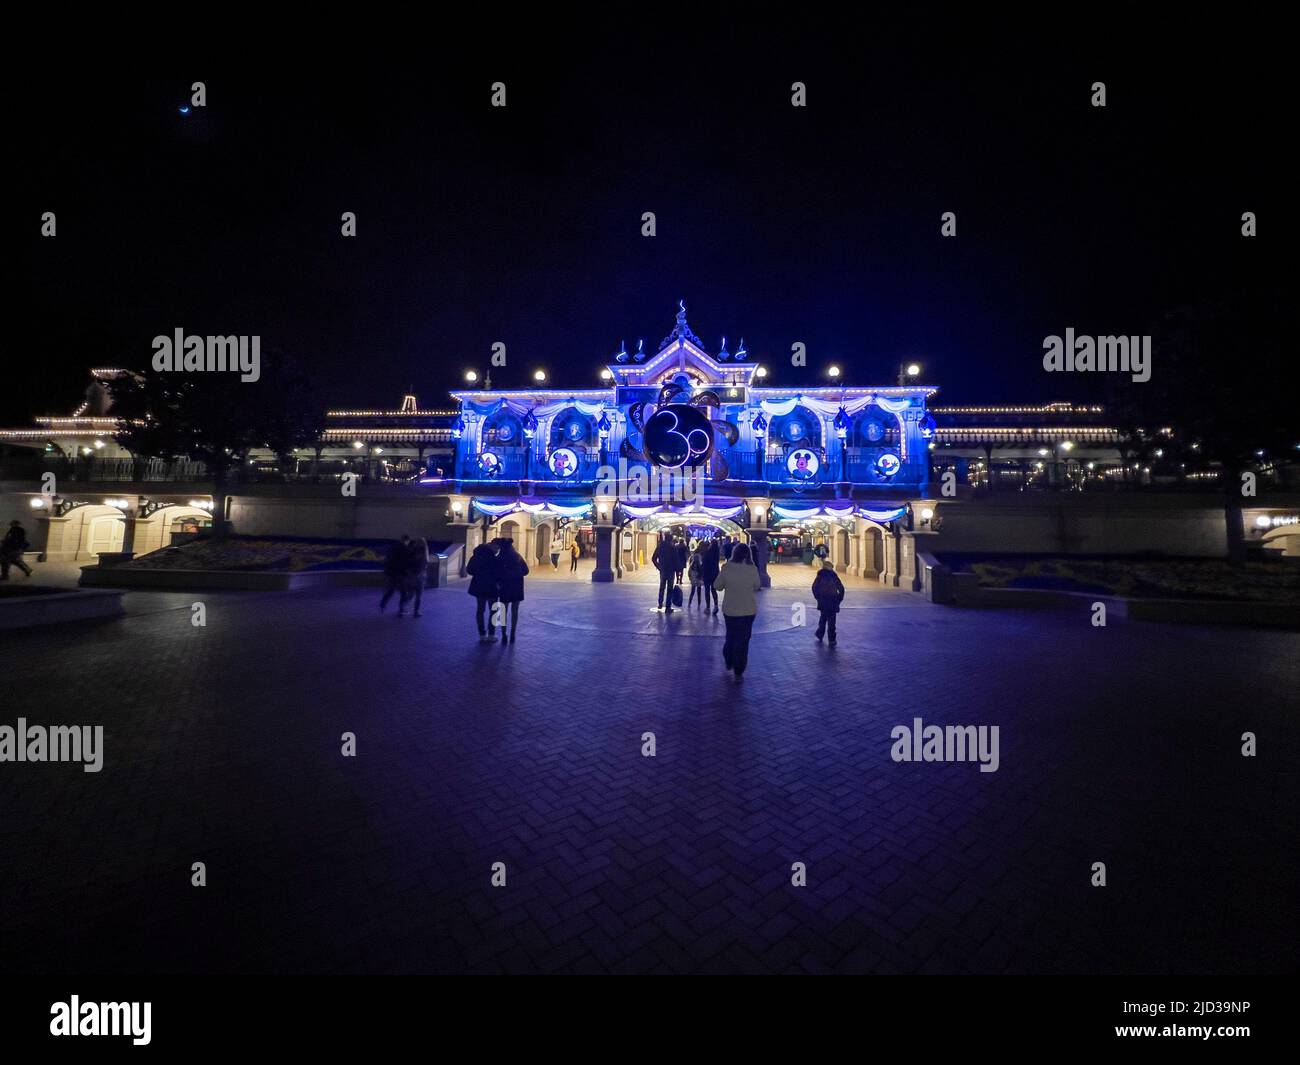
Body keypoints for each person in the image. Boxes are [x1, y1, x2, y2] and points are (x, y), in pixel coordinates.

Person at [714, 542, 761, 678]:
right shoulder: (752, 569)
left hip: (730, 610)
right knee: (744, 640)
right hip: (748, 610)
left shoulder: (726, 567)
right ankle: (739, 668)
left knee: (731, 636)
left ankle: (729, 658)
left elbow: (717, 586)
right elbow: (757, 585)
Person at [494, 538, 529, 644]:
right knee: (515, 611)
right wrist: (517, 574)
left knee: (503, 611)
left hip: (504, 587)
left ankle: (504, 634)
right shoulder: (518, 557)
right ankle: (513, 634)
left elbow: (496, 574)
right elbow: (526, 571)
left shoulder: (499, 558)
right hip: (517, 587)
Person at [466, 540, 500, 641]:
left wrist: (478, 574)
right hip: (492, 587)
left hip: (479, 586)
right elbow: (498, 573)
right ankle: (491, 634)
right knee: (494, 610)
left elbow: (469, 570)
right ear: (493, 546)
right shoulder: (494, 559)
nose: (498, 550)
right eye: (497, 548)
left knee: (480, 610)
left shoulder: (477, 555)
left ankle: (481, 634)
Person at [811, 560, 845, 645]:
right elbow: (841, 589)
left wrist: (818, 597)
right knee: (832, 622)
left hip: (823, 601)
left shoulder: (820, 576)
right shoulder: (834, 576)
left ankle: (820, 634)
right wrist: (839, 599)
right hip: (833, 601)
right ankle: (831, 639)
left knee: (823, 618)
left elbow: (814, 587)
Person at [379, 534, 412, 612]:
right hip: (400, 573)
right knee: (404, 592)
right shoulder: (405, 549)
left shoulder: (393, 547)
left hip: (391, 572)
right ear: (407, 541)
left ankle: (383, 603)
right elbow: (406, 561)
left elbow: (387, 559)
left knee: (391, 590)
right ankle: (401, 608)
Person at [400, 535, 429, 617]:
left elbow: (406, 564)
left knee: (410, 594)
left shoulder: (411, 552)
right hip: (420, 577)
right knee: (419, 596)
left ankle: (402, 608)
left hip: (410, 576)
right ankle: (416, 612)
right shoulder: (424, 554)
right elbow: (424, 565)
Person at [651, 532, 678, 614]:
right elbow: (676, 559)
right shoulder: (673, 547)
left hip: (663, 570)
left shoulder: (660, 546)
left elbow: (653, 558)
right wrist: (677, 569)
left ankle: (660, 603)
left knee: (662, 587)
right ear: (670, 539)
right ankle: (668, 607)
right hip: (671, 570)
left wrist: (659, 566)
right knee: (670, 588)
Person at [699, 537, 720, 613]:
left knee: (707, 590)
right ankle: (716, 605)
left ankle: (708, 607)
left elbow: (704, 563)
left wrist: (701, 573)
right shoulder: (716, 552)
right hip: (715, 573)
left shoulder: (708, 552)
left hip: (707, 573)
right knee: (714, 590)